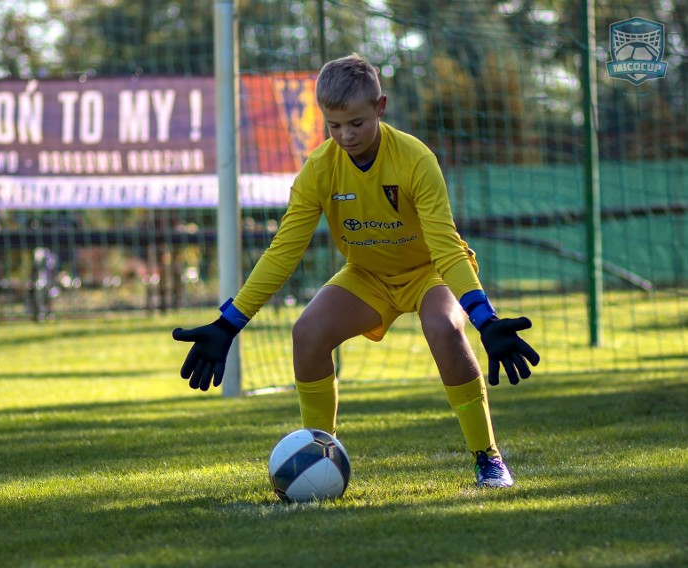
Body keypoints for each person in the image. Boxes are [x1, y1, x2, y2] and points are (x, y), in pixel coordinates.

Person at [173, 53, 540, 488]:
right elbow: (283, 251)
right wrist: (229, 322)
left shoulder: (415, 159)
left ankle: (488, 458)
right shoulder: (319, 170)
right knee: (306, 332)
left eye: (356, 123)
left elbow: (445, 247)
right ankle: (320, 455)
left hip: (428, 272)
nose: (345, 136)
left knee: (444, 328)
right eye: (333, 125)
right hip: (367, 275)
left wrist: (485, 319)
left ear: (380, 108)